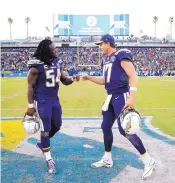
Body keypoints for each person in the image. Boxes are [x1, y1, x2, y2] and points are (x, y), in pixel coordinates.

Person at [82, 34, 156, 180]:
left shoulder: (121, 55)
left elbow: (133, 76)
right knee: (105, 126)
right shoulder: (105, 59)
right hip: (110, 96)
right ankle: (108, 158)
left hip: (121, 95)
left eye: (101, 44)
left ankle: (148, 160)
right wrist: (89, 77)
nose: (100, 47)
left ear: (108, 43)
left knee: (125, 131)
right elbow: (105, 80)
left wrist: (132, 96)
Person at [26, 39, 80, 174]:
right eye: (53, 49)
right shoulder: (35, 65)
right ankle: (49, 160)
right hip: (42, 101)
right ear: (46, 51)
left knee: (57, 125)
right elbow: (30, 87)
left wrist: (73, 78)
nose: (56, 51)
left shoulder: (57, 62)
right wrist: (31, 106)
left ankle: (43, 143)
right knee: (45, 129)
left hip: (54, 100)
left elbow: (65, 80)